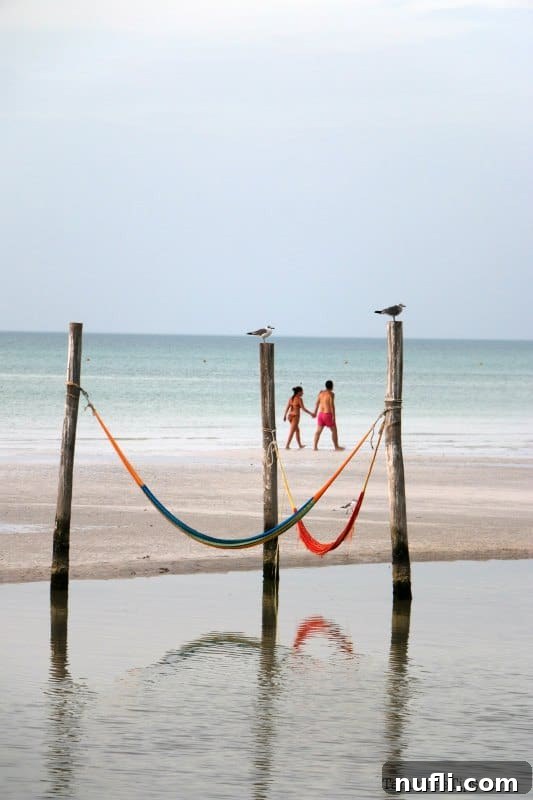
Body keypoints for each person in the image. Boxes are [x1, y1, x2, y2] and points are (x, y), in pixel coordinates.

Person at [313, 380, 344, 451]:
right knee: (334, 431)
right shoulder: (331, 394)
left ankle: (315, 447)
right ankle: (336, 447)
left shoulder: (320, 393)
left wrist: (315, 412)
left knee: (318, 431)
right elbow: (332, 405)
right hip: (327, 414)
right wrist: (334, 416)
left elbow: (317, 403)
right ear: (332, 386)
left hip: (320, 414)